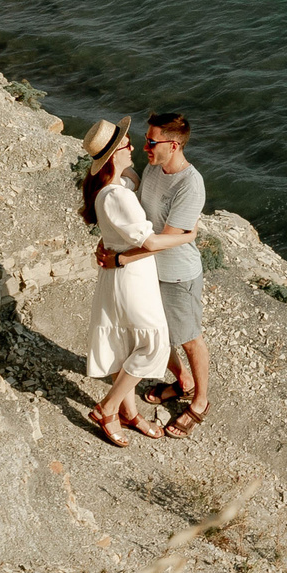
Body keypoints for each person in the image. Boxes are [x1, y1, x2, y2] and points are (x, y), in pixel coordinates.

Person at [99, 111, 210, 438]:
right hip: (145, 269)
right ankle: (183, 381)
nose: (146, 146)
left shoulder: (191, 185)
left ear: (173, 145)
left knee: (189, 338)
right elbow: (138, 211)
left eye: (151, 141)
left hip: (176, 275)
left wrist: (120, 259)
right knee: (155, 332)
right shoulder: (153, 167)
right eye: (145, 140)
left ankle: (200, 400)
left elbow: (164, 241)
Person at [78, 117, 168, 447]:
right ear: (115, 154)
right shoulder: (116, 196)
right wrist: (186, 236)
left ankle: (128, 413)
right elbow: (149, 242)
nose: (134, 148)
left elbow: (131, 179)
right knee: (152, 341)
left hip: (120, 273)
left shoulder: (115, 187)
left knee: (126, 342)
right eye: (128, 145)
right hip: (131, 276)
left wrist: (122, 168)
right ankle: (107, 407)